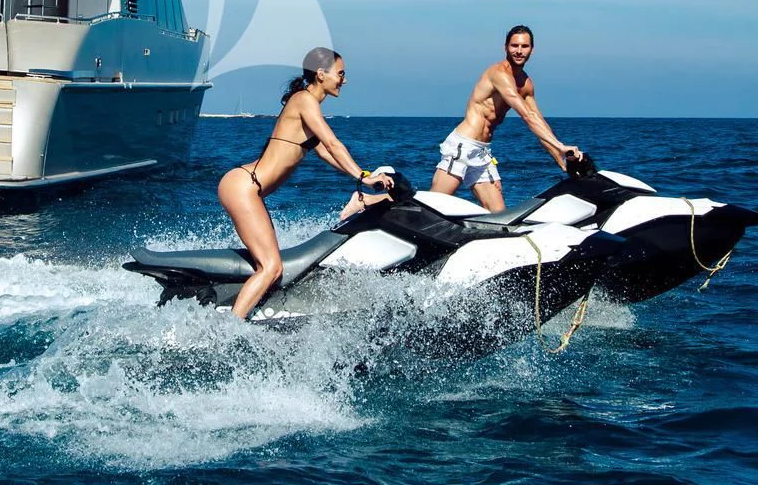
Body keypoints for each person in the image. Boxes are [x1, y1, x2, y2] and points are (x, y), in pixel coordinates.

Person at [216, 47, 389, 321]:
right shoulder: (304, 100)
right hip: (243, 186)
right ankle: (227, 331)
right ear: (321, 74)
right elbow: (333, 142)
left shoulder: (307, 105)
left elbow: (326, 153)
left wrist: (361, 178)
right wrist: (364, 177)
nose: (344, 80)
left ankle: (247, 309)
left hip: (246, 187)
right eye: (341, 74)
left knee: (271, 264)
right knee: (271, 267)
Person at [430, 25, 582, 213]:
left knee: (499, 215)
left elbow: (538, 119)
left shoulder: (526, 83)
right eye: (514, 46)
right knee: (434, 206)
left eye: (524, 46)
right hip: (463, 147)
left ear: (532, 50)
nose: (519, 51)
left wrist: (560, 158)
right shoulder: (499, 74)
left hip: (482, 152)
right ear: (506, 47)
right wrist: (559, 146)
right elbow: (526, 116)